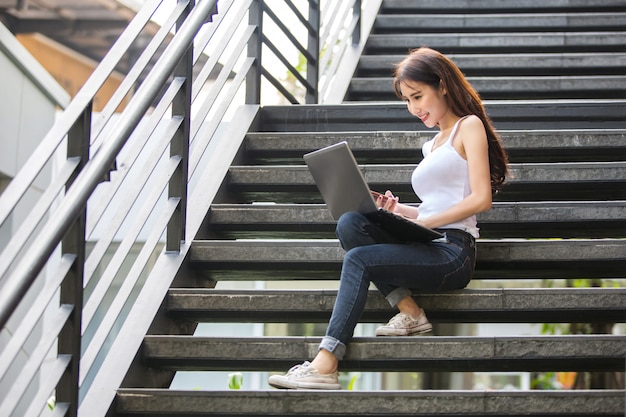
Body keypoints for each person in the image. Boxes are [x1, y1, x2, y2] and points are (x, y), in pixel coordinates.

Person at [268, 47, 509, 390]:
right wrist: (398, 212)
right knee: (351, 221)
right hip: (429, 241)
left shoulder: (468, 127)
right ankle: (410, 312)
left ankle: (326, 363)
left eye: (418, 96)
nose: (414, 108)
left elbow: (480, 199)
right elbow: (434, 205)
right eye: (407, 101)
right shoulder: (432, 144)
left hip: (454, 252)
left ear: (441, 85)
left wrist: (424, 223)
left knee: (359, 259)